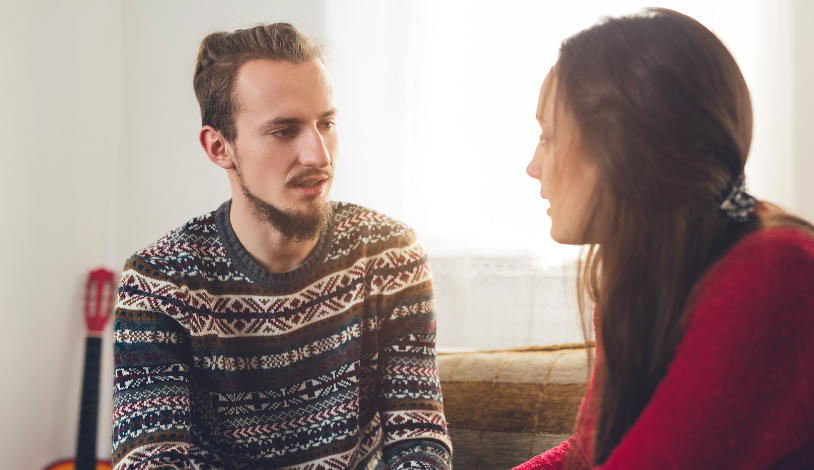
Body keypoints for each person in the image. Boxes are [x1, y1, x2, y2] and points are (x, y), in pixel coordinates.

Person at [112, 23, 452, 470]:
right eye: (284, 130)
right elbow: (149, 461)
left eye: (326, 123)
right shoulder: (159, 283)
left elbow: (420, 440)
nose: (320, 155)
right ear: (219, 147)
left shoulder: (389, 255)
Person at [517, 8, 814, 470]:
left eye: (548, 137)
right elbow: (587, 455)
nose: (533, 167)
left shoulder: (776, 272)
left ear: (622, 148)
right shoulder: (640, 277)